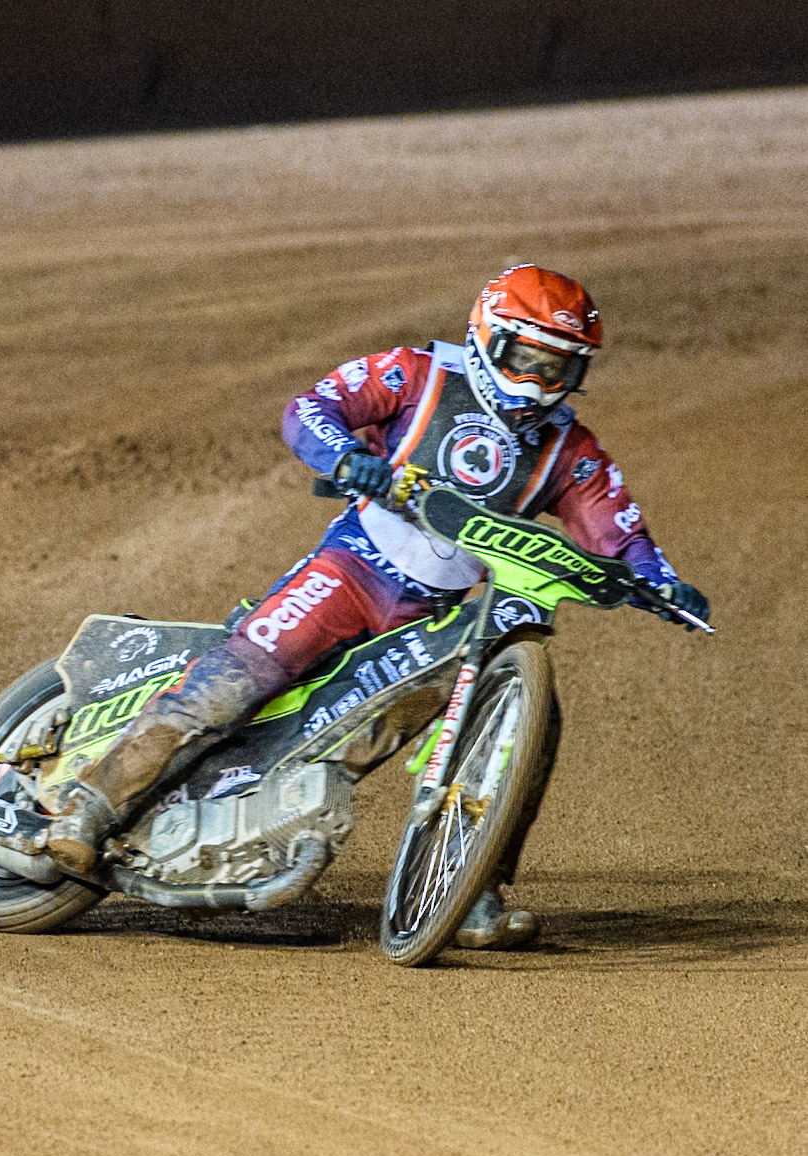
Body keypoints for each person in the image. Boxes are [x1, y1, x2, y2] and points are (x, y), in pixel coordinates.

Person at [41, 264, 707, 948]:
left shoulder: (570, 449)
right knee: (238, 680)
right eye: (525, 358)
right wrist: (343, 457)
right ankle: (87, 810)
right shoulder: (415, 373)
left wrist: (656, 579)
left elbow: (618, 531)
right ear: (487, 335)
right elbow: (309, 410)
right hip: (351, 570)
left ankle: (470, 882)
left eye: (558, 367)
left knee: (518, 728)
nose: (538, 381)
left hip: (439, 617)